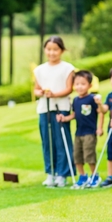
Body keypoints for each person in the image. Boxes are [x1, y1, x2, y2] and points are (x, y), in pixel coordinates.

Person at [33, 36, 75, 188]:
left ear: (62, 50)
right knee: (47, 141)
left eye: (55, 49)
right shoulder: (39, 69)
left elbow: (69, 88)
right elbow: (36, 89)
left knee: (61, 141)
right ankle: (50, 173)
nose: (52, 52)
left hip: (61, 108)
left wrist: (55, 94)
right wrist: (41, 92)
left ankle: (62, 174)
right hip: (45, 108)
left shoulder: (68, 68)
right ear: (45, 50)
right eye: (49, 49)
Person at [56, 70, 104, 189]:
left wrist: (100, 128)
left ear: (90, 85)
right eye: (77, 84)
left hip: (90, 133)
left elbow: (101, 113)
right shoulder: (76, 100)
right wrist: (65, 118)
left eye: (83, 84)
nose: (79, 87)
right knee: (77, 156)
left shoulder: (92, 98)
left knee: (89, 156)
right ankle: (83, 177)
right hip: (79, 133)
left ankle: (94, 176)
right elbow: (75, 114)